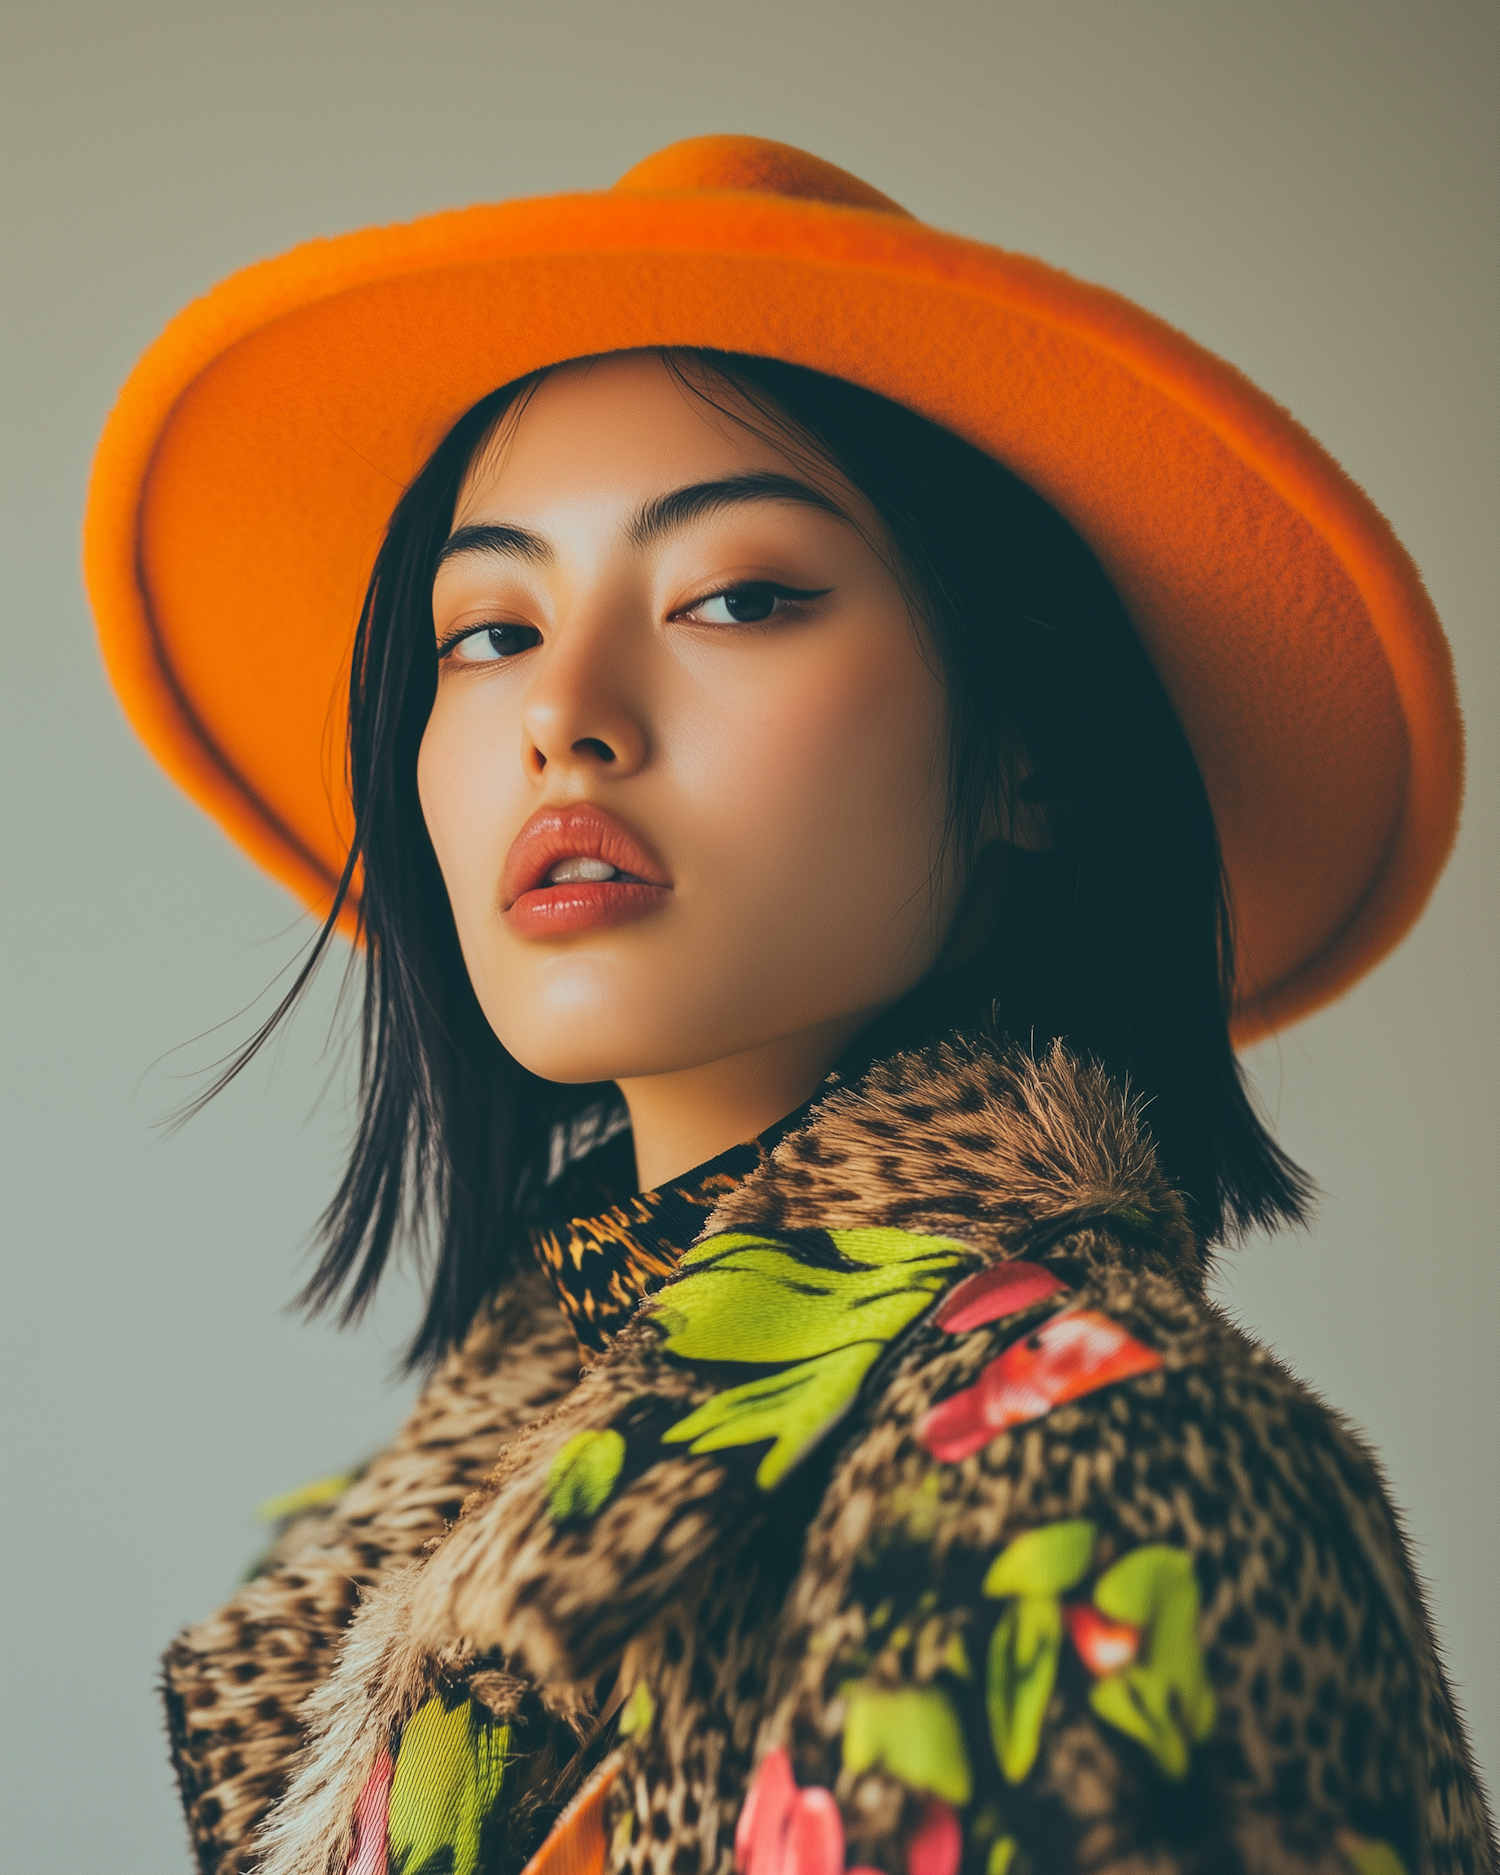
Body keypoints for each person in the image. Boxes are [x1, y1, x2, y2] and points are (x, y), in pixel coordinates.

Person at [84, 137, 1492, 1875]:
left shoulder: (1102, 1473)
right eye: (487, 628)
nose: (566, 714)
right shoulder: (452, 1517)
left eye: (739, 597)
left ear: (1029, 754)